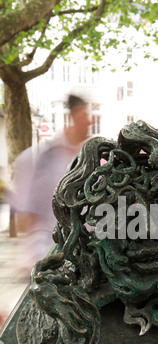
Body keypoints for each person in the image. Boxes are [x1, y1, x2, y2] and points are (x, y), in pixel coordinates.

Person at [12, 94, 91, 274]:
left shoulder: (88, 157)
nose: (89, 122)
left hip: (82, 257)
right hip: (48, 257)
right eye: (85, 116)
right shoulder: (41, 157)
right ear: (74, 116)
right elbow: (27, 214)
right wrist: (35, 255)